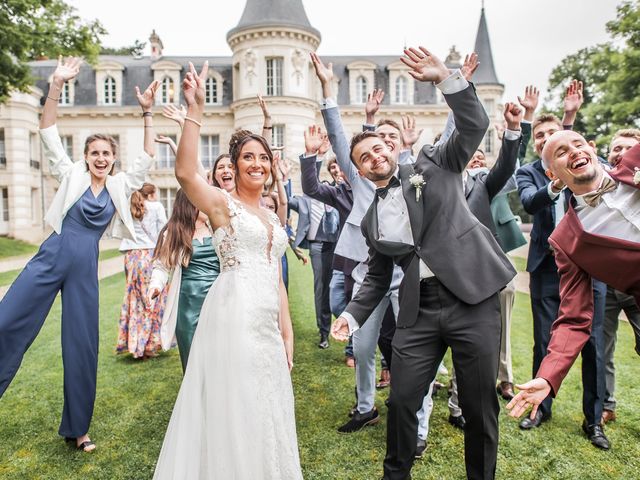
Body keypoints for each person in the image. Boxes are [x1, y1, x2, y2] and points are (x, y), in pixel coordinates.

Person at [331, 46, 514, 480]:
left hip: (472, 298)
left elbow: (475, 125)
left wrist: (446, 80)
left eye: (379, 148)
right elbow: (376, 276)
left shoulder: (434, 162)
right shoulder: (372, 220)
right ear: (358, 170)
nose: (375, 156)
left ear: (392, 148)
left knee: (478, 405)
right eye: (364, 157)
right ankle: (396, 474)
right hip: (419, 310)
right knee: (399, 401)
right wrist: (351, 316)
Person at [0, 57, 157, 452]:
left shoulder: (121, 186)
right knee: (7, 322)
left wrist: (148, 115)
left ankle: (78, 430)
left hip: (85, 267)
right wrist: (55, 84)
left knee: (82, 347)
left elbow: (148, 158)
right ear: (86, 156)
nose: (101, 158)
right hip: (51, 256)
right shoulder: (70, 175)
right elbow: (48, 130)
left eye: (107, 153)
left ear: (113, 158)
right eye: (95, 153)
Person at [153, 62, 301, 479]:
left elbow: (275, 275)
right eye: (247, 158)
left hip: (267, 322)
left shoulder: (272, 218)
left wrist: (287, 331)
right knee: (237, 402)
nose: (257, 163)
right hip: (233, 313)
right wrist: (195, 111)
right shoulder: (221, 205)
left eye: (263, 158)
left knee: (268, 402)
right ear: (234, 166)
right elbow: (184, 173)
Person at [507, 131, 640, 440]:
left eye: (578, 144)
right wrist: (547, 376)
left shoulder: (635, 161)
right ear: (553, 174)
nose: (574, 152)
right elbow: (574, 318)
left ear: (592, 150)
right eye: (561, 152)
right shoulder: (568, 239)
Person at [515, 82, 608, 449]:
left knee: (594, 344)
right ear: (537, 144)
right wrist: (553, 183)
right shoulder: (530, 172)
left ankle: (594, 419)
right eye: (540, 136)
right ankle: (541, 406)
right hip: (546, 266)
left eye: (551, 134)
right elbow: (532, 203)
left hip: (591, 266)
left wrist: (569, 118)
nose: (545, 139)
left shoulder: (582, 167)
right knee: (544, 340)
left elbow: (580, 162)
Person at [149, 189, 219, 372]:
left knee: (219, 356)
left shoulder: (218, 227)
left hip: (219, 302)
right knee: (193, 360)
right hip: (188, 306)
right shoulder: (174, 232)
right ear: (190, 204)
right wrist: (156, 286)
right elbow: (162, 266)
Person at [600, 129, 640, 423]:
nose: (620, 152)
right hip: (605, 282)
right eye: (616, 148)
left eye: (628, 148)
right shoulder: (600, 186)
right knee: (604, 346)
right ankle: (606, 405)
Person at [116, 182, 168, 359]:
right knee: (152, 299)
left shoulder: (128, 207)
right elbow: (163, 231)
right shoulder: (156, 207)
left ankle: (135, 343)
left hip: (131, 257)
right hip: (149, 255)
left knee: (134, 300)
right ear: (151, 194)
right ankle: (149, 344)